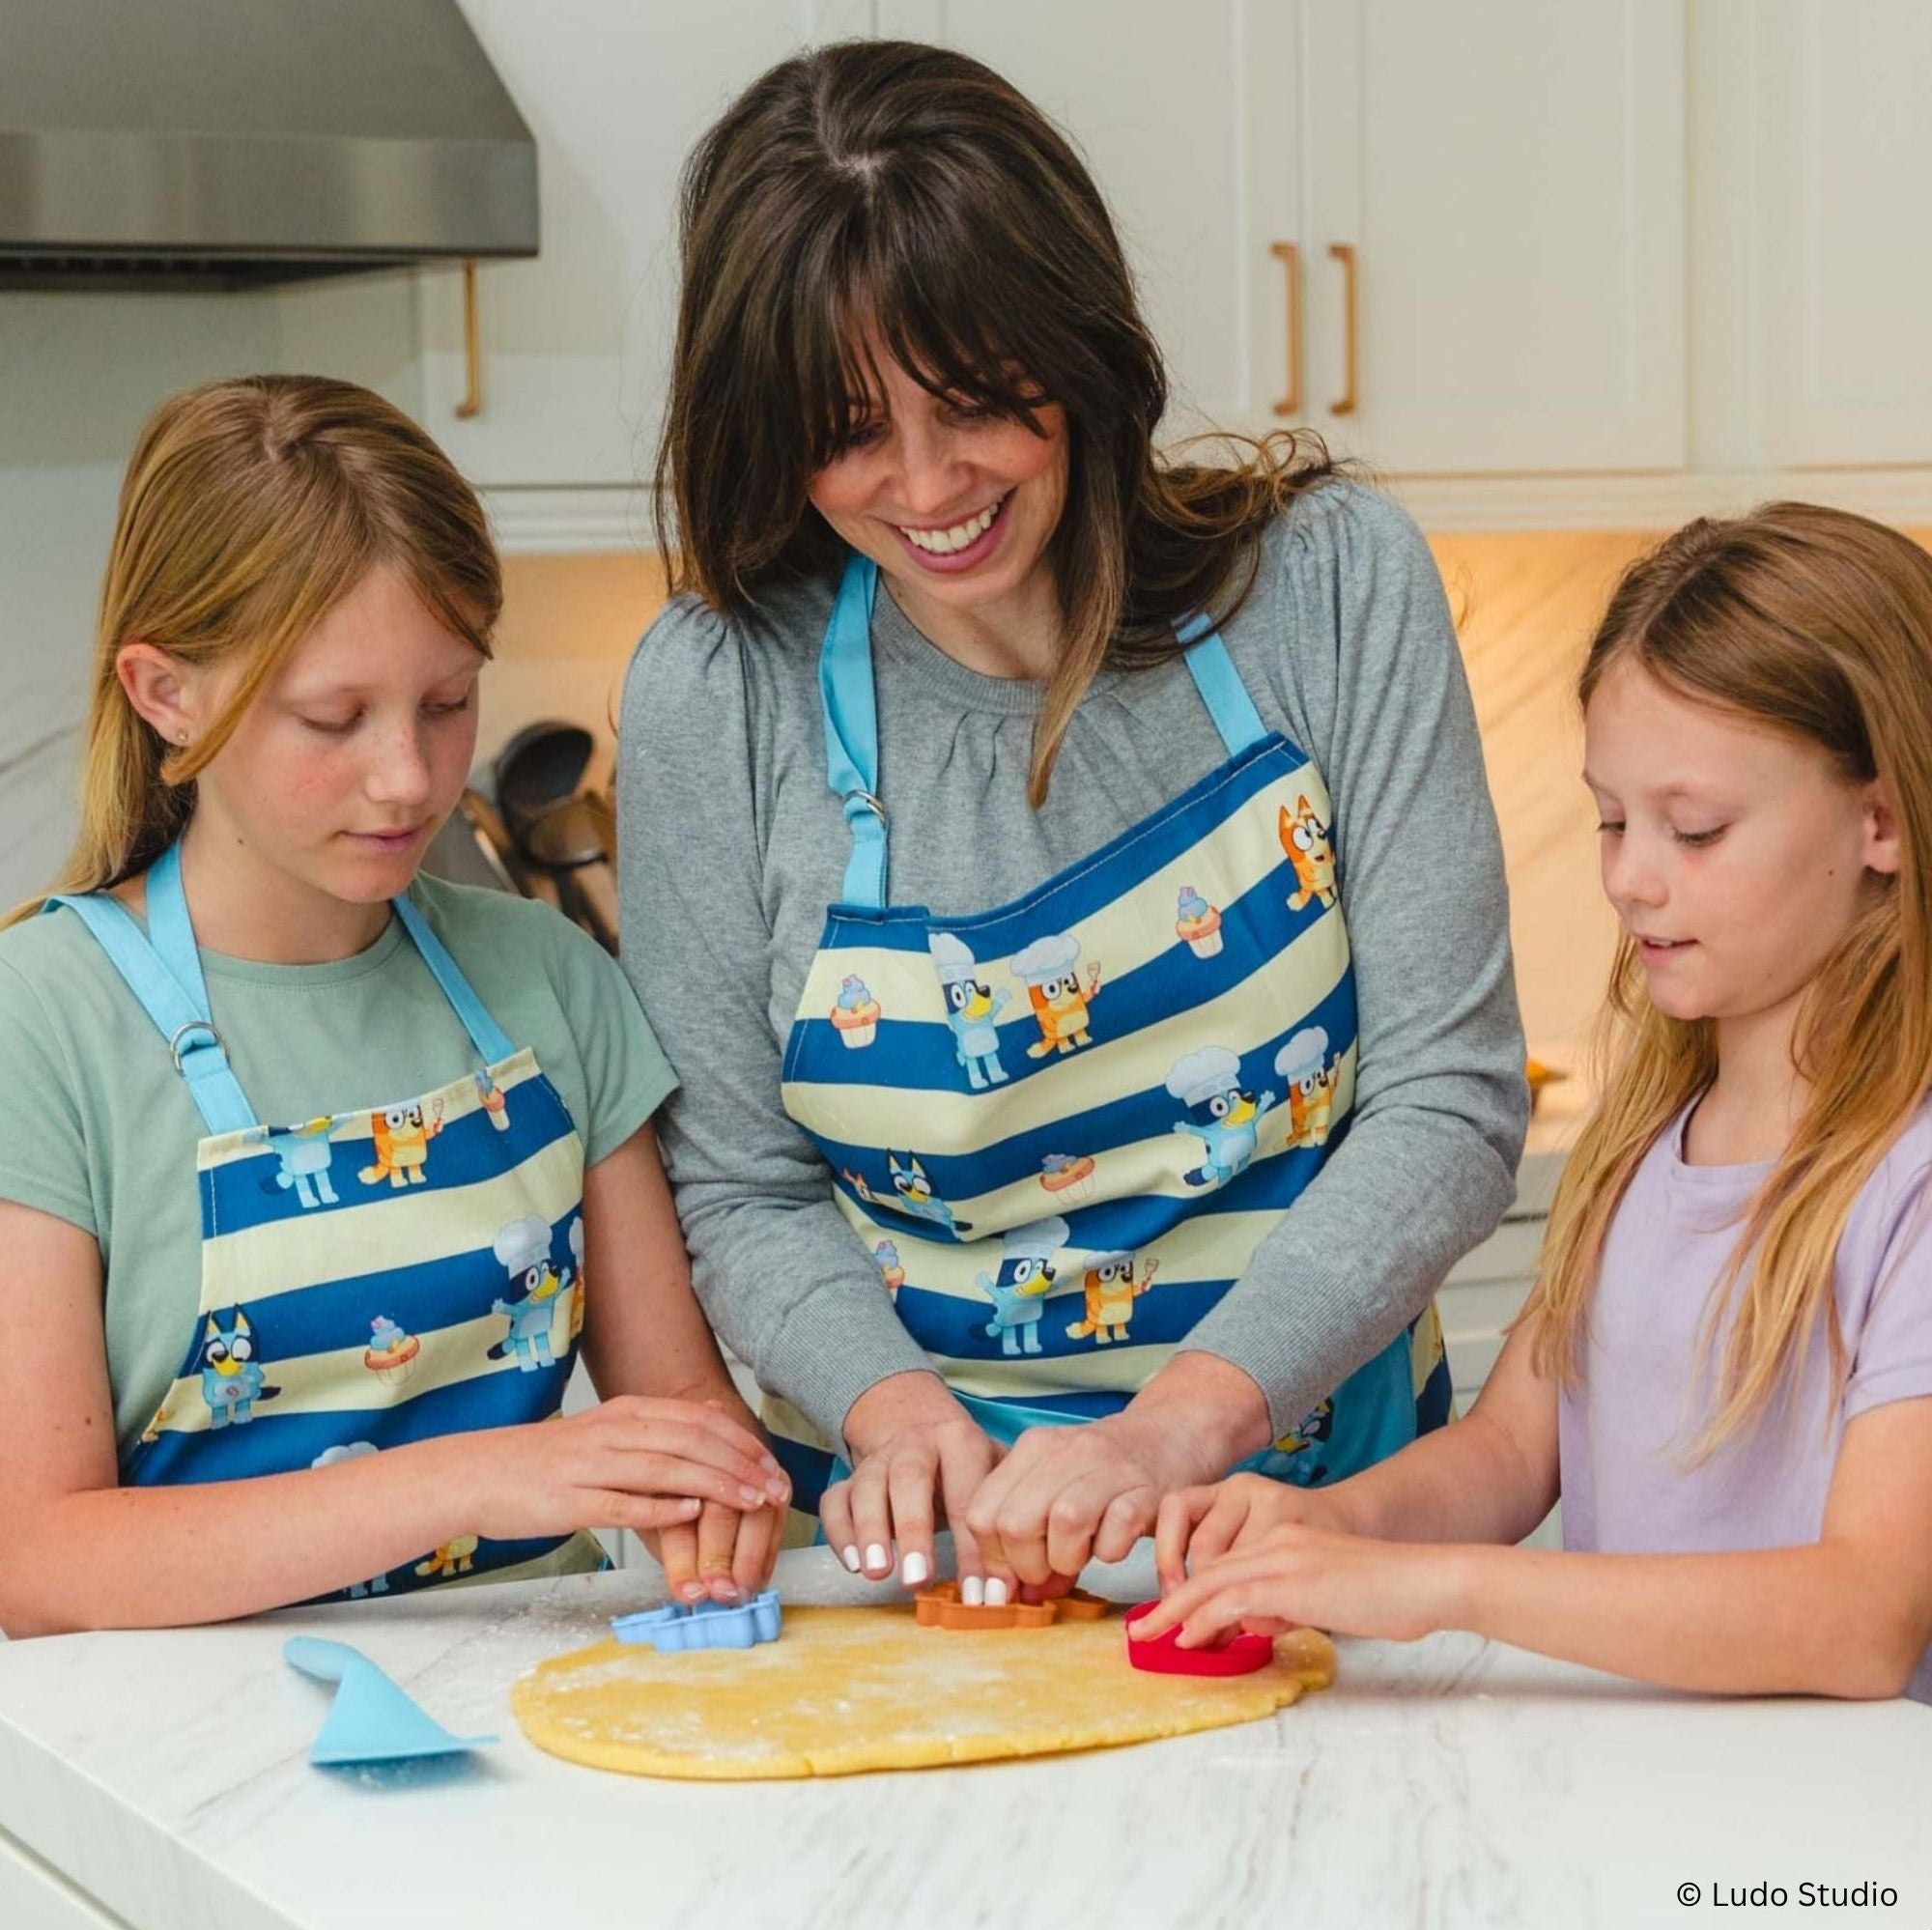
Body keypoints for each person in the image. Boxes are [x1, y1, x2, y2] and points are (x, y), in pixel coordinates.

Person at [620, 40, 1526, 1603]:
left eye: (975, 398)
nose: (926, 483)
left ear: (1077, 342)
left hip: (1316, 1534)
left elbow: (1449, 1102)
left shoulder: (1325, 585)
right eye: (849, 430)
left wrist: (1175, 1433)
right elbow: (742, 1187)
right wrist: (895, 1413)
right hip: (934, 1570)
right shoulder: (722, 693)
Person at [0, 376, 788, 1634]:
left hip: (526, 1700)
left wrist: (723, 1492)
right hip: (178, 1755)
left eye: (446, 701)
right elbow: (36, 1563)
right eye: (333, 716)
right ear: (165, 693)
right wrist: (475, 1477)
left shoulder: (543, 976)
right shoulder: (38, 1022)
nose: (409, 777)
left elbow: (681, 1407)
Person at [1141, 503, 1932, 1700]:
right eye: (1611, 819)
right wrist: (1319, 1530)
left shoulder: (1907, 1178)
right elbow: (1512, 1450)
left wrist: (1447, 1587)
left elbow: (1860, 1619)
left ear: (1879, 818)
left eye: (1696, 828)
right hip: (1638, 1795)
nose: (1627, 876)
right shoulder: (1641, 1143)